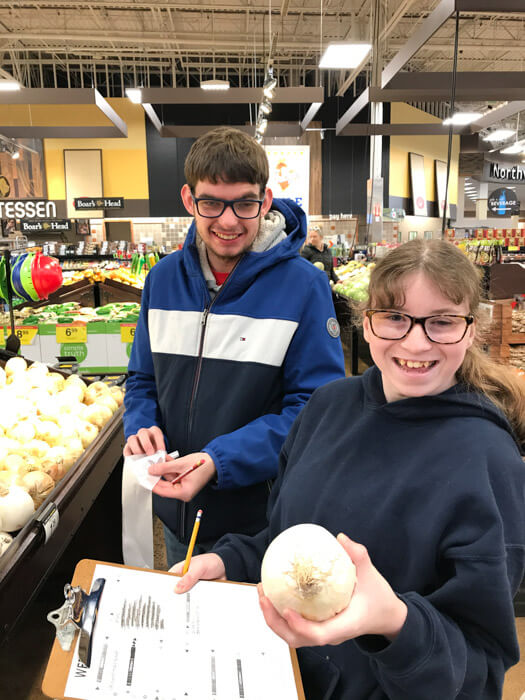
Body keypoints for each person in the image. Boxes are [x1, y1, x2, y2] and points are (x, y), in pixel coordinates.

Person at [172, 239, 525, 700]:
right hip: (278, 674)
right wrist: (230, 560)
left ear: (471, 330)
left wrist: (394, 623)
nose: (415, 341)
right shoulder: (327, 406)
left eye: (442, 322)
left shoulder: (489, 462)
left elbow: (478, 671)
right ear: (366, 322)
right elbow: (284, 532)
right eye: (395, 317)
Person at [123, 126, 345, 567]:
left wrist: (218, 461)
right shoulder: (162, 280)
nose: (228, 221)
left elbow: (315, 410)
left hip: (258, 523)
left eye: (244, 203)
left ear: (265, 201)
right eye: (211, 203)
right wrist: (140, 424)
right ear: (189, 200)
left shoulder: (305, 287)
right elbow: (142, 378)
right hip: (174, 511)